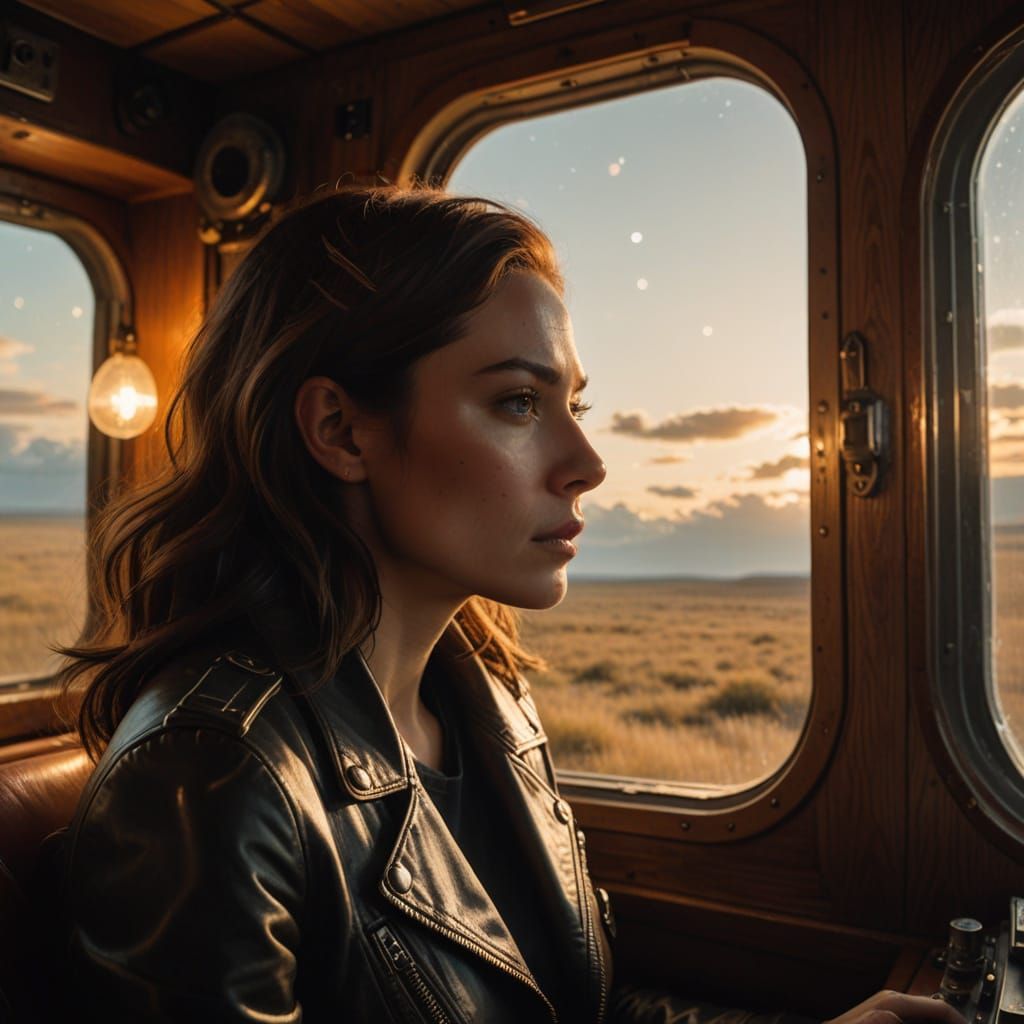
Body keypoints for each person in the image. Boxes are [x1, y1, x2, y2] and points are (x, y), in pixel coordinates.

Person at [52, 184, 965, 1024]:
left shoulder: (486, 702)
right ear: (340, 429)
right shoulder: (207, 780)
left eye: (574, 403)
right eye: (520, 403)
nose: (587, 463)